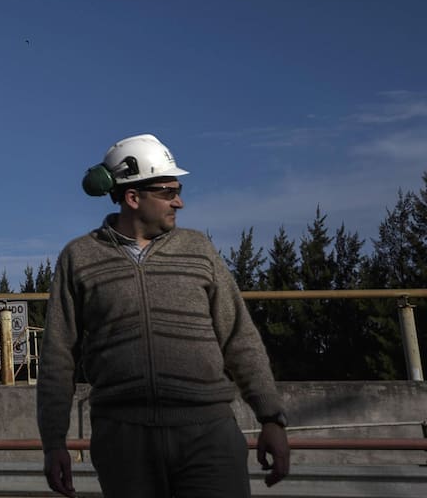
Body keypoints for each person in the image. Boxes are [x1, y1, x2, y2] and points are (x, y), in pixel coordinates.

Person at [36, 134, 290, 498]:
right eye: (169, 192)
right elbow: (58, 357)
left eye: (178, 189)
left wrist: (271, 418)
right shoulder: (79, 257)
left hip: (209, 436)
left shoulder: (199, 250)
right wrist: (53, 443)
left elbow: (240, 338)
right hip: (123, 442)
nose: (180, 201)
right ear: (133, 197)